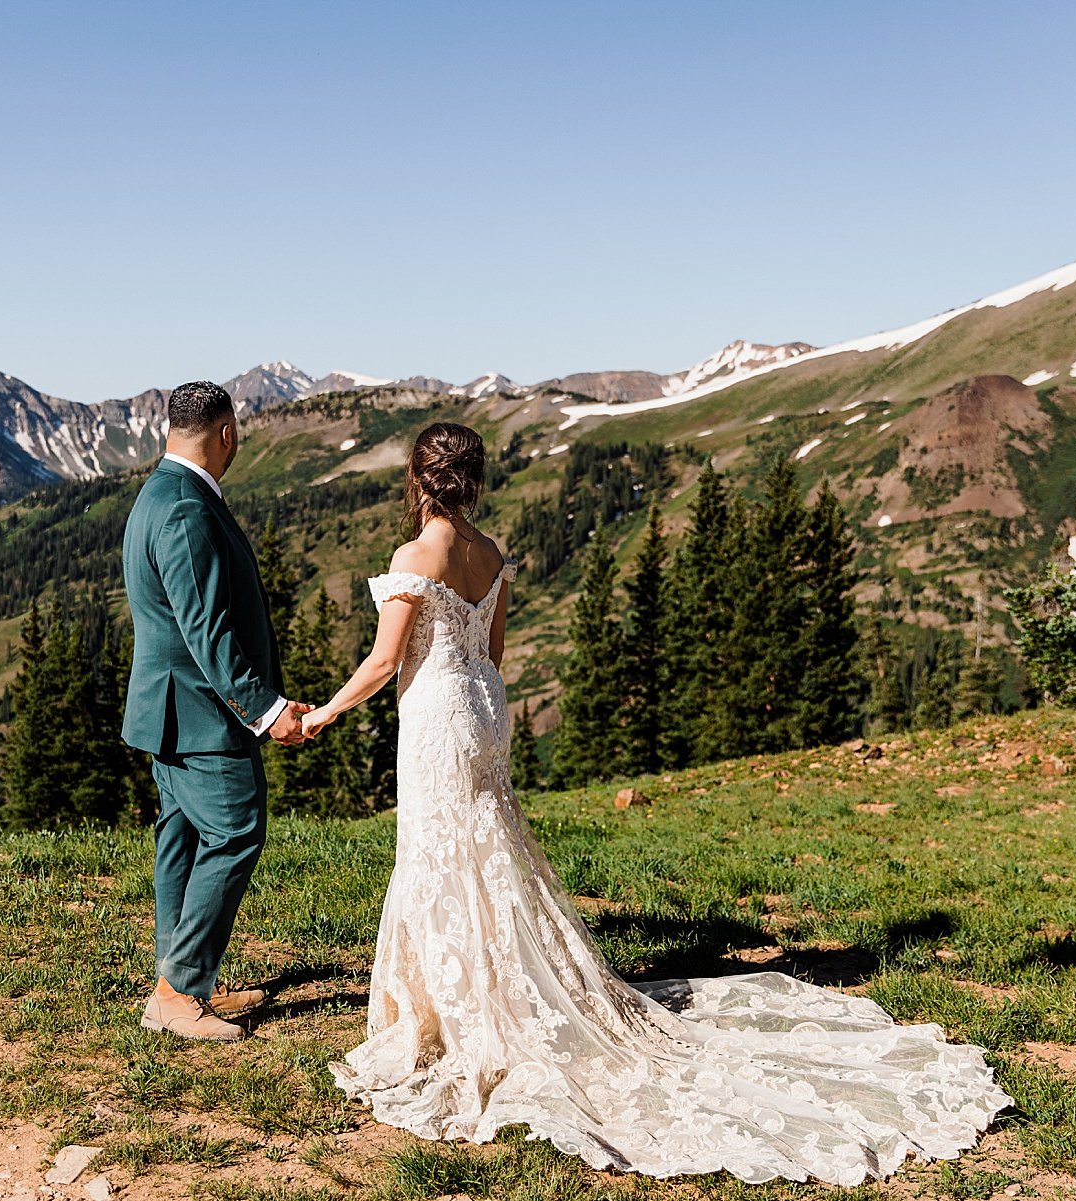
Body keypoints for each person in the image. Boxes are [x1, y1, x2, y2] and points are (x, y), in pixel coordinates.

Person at [299, 421, 1012, 1185]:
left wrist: (323, 714)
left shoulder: (417, 556)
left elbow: (383, 659)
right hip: (486, 706)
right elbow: (495, 652)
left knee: (440, 851)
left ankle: (449, 1009)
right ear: (473, 478)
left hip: (438, 713)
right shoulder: (489, 551)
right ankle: (488, 985)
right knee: (487, 847)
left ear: (418, 476)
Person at [121, 380, 312, 1043]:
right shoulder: (184, 510)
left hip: (171, 710)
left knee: (181, 839)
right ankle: (178, 992)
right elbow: (207, 629)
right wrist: (267, 709)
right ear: (225, 433)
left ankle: (184, 978)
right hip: (201, 714)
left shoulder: (159, 495)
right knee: (235, 831)